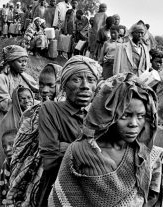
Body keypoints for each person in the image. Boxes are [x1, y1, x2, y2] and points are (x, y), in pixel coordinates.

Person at [49, 73, 163, 207]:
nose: (134, 123)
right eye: (125, 115)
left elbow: (151, 196)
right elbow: (61, 199)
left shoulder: (144, 155)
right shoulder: (80, 150)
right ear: (108, 117)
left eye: (141, 116)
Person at [37, 55, 102, 206]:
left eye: (91, 80)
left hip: (91, 193)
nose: (85, 86)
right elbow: (50, 160)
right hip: (57, 188)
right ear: (64, 85)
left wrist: (67, 147)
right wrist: (91, 150)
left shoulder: (98, 115)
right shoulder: (50, 109)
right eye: (77, 79)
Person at [5, 64, 62, 207]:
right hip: (25, 169)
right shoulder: (32, 112)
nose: (44, 90)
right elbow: (20, 145)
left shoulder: (64, 115)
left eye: (50, 85)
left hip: (50, 172)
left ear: (61, 85)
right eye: (41, 84)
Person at [0, 86, 34, 207]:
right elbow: (1, 151)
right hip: (8, 167)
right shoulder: (8, 120)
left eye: (29, 97)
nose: (27, 101)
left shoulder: (32, 118)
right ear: (16, 101)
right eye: (22, 99)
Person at [0, 45, 38, 125]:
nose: (24, 64)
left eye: (25, 61)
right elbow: (3, 104)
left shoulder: (28, 79)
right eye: (20, 61)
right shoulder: (2, 78)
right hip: (7, 122)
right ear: (11, 62)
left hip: (25, 122)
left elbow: (33, 99)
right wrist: (26, 104)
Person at [0, 129, 18, 207]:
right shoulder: (7, 163)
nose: (7, 149)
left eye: (11, 144)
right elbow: (3, 188)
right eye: (4, 146)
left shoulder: (25, 162)